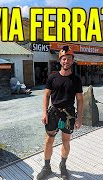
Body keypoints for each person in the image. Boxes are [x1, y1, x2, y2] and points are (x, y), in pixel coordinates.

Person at [37, 46, 83, 180]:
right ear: (60, 60)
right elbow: (46, 96)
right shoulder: (52, 77)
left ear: (72, 61)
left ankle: (63, 166)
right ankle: (46, 167)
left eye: (69, 59)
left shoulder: (76, 80)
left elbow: (80, 100)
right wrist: (44, 113)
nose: (66, 61)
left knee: (66, 141)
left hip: (68, 114)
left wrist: (79, 118)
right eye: (64, 58)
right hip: (53, 113)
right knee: (48, 140)